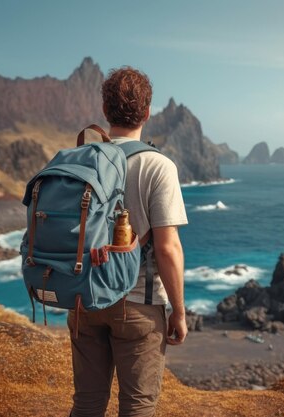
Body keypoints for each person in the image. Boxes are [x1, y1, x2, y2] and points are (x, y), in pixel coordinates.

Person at [68, 67, 188, 417]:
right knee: (137, 406)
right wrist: (178, 312)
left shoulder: (81, 159)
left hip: (84, 298)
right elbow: (167, 248)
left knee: (87, 404)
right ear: (148, 113)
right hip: (138, 303)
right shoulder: (157, 165)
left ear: (105, 112)